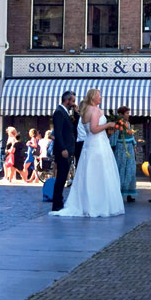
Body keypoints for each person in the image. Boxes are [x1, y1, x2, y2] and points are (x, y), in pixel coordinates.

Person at [50, 88, 124, 218]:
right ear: (93, 97)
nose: (100, 98)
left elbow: (82, 125)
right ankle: (96, 203)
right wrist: (108, 125)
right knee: (98, 173)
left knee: (86, 174)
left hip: (89, 145)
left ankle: (78, 202)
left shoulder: (83, 112)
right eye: (99, 96)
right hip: (96, 144)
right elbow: (94, 129)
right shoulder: (93, 111)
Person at [51, 91, 77, 211]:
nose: (74, 103)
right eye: (72, 101)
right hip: (63, 150)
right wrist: (63, 148)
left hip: (68, 148)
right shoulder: (59, 113)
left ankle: (59, 201)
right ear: (66, 100)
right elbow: (58, 133)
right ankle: (57, 203)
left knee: (63, 176)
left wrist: (76, 113)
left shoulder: (66, 112)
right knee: (61, 177)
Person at [110, 106, 137, 203]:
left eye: (128, 113)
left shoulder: (128, 123)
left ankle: (129, 192)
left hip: (129, 147)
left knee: (131, 169)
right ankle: (119, 192)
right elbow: (114, 137)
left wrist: (134, 145)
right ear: (121, 114)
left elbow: (131, 135)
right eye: (126, 113)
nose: (128, 115)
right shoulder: (118, 125)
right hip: (122, 148)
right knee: (121, 169)